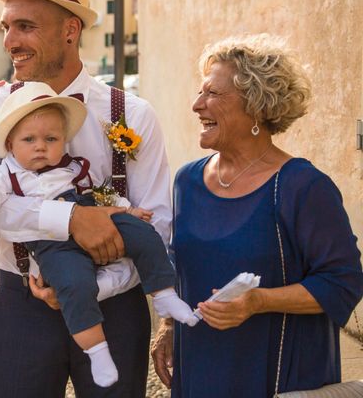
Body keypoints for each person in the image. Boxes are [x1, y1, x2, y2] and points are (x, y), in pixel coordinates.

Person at [0, 0, 172, 397]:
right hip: (20, 306)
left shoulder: (132, 113)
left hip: (116, 309)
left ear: (70, 31)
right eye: (6, 27)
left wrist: (94, 287)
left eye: (26, 27)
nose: (10, 41)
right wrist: (72, 220)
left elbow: (158, 219)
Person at [150, 34, 363, 397]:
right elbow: (178, 263)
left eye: (212, 94)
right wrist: (169, 325)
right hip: (200, 365)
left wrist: (258, 301)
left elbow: (344, 281)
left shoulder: (303, 186)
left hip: (275, 372)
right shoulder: (187, 181)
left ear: (256, 106)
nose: (196, 105)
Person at [0, 83, 197, 388]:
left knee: (146, 234)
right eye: (29, 139)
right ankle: (97, 351)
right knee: (72, 278)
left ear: (70, 31)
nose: (40, 147)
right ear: (10, 144)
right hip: (30, 288)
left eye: (51, 139)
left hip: (118, 304)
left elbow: (106, 197)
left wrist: (126, 213)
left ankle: (165, 296)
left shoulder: (126, 118)